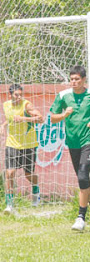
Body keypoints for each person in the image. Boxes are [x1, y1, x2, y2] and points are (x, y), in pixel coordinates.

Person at [50, 66, 90, 232]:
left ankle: (81, 217)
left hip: (89, 141)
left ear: (84, 80)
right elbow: (53, 118)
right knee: (83, 180)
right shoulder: (63, 96)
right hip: (72, 143)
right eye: (72, 79)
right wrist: (64, 115)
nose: (74, 82)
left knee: (82, 176)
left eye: (77, 79)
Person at [1, 84, 44, 214]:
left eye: (21, 94)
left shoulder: (27, 105)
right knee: (9, 173)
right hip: (12, 143)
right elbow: (11, 119)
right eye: (16, 95)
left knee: (28, 174)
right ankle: (9, 205)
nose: (19, 97)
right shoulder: (6, 105)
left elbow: (40, 119)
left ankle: (36, 194)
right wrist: (3, 125)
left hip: (28, 144)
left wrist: (24, 118)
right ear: (10, 95)